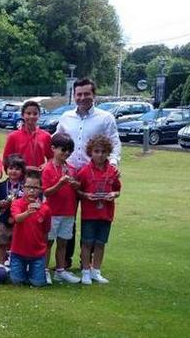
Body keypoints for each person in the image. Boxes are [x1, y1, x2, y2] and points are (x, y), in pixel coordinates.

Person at [55, 78, 122, 268]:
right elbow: (57, 140)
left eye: (87, 94)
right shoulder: (66, 117)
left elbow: (115, 143)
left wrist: (113, 165)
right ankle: (65, 260)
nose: (83, 97)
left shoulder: (105, 117)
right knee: (68, 218)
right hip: (68, 175)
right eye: (79, 94)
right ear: (74, 95)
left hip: (94, 176)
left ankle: (89, 262)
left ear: (94, 95)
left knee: (93, 217)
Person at [75, 134, 121, 285]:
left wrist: (113, 194)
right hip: (89, 214)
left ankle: (96, 271)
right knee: (87, 243)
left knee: (101, 243)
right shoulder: (84, 171)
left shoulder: (113, 171)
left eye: (103, 151)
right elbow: (77, 191)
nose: (100, 155)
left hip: (106, 213)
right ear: (90, 152)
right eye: (96, 151)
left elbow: (117, 190)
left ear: (108, 152)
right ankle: (85, 271)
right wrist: (85, 195)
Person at [42, 133, 81, 285]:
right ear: (53, 148)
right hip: (52, 212)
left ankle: (60, 271)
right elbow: (46, 192)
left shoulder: (71, 168)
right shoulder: (48, 169)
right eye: (63, 149)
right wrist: (60, 183)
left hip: (68, 211)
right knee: (48, 242)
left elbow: (77, 187)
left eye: (69, 150)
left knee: (63, 242)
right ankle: (44, 270)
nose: (66, 153)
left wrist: (75, 184)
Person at [9, 172, 51, 287]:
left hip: (37, 254)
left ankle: (35, 273)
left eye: (35, 188)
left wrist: (43, 248)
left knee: (38, 283)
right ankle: (15, 269)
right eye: (28, 187)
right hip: (18, 252)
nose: (31, 191)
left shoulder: (45, 209)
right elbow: (17, 219)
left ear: (40, 189)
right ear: (23, 188)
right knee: (17, 281)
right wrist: (27, 212)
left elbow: (46, 230)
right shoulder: (16, 203)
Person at [0, 155, 26, 266]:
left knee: (17, 243)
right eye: (11, 168)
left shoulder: (24, 187)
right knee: (2, 242)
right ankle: (1, 264)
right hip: (3, 219)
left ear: (22, 171)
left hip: (19, 220)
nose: (14, 171)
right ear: (6, 169)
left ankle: (16, 265)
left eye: (17, 169)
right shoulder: (1, 185)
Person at [2, 100, 53, 173]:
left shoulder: (46, 136)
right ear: (22, 115)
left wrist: (46, 165)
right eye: (28, 113)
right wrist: (20, 169)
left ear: (39, 115)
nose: (32, 116)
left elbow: (52, 159)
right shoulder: (13, 136)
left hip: (38, 178)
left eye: (35, 114)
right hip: (19, 178)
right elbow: (6, 160)